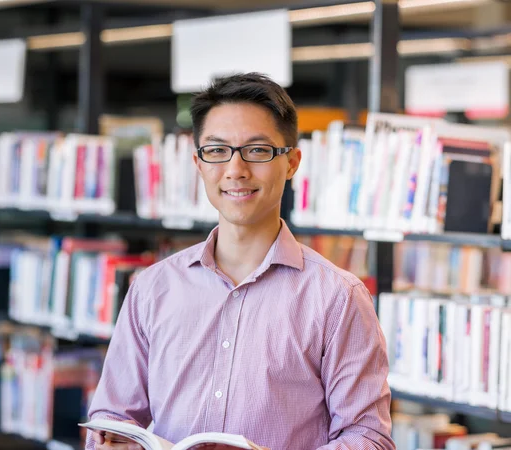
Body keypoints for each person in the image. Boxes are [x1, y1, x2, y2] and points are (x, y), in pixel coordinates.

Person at [85, 72, 395, 450]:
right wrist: (110, 440)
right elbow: (112, 418)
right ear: (198, 162)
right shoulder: (153, 288)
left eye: (258, 150)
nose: (235, 169)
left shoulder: (338, 298)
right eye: (217, 150)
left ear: (292, 162)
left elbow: (368, 438)